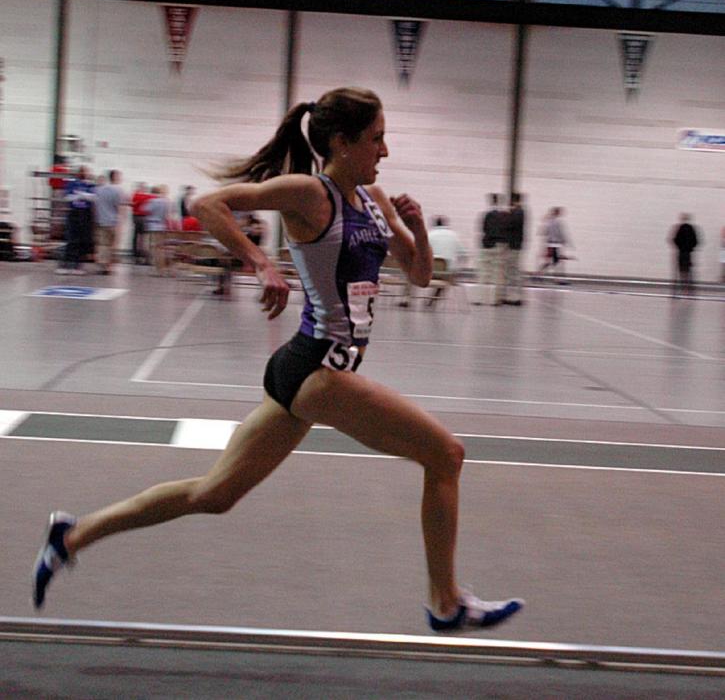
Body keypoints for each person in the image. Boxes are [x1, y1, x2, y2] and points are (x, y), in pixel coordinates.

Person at [32, 87, 523, 632]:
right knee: (445, 455)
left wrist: (422, 228)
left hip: (309, 373)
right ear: (341, 142)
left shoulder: (376, 201)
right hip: (319, 371)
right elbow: (206, 205)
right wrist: (261, 264)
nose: (385, 151)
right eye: (377, 138)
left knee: (213, 494)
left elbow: (421, 275)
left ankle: (72, 535)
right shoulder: (310, 194)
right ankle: (446, 602)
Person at [55, 165, 96, 275]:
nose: (86, 174)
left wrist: (81, 195)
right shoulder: (72, 183)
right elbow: (67, 197)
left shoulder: (90, 184)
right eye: (84, 171)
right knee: (71, 239)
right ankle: (65, 264)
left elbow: (94, 197)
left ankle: (78, 265)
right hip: (74, 213)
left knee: (82, 241)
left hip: (85, 214)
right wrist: (81, 196)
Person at [424, 215, 466, 307]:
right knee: (445, 278)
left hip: (429, 272)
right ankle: (433, 300)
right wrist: (458, 267)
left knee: (411, 275)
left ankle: (407, 299)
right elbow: (463, 254)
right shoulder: (454, 235)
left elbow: (420, 251)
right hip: (447, 272)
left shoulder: (429, 234)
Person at [93, 169, 127, 275]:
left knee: (103, 244)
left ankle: (102, 264)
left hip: (101, 221)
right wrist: (121, 221)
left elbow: (95, 206)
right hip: (113, 222)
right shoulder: (119, 191)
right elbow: (120, 207)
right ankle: (109, 266)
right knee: (113, 245)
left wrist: (96, 218)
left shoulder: (99, 189)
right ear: (115, 177)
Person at [474, 193, 506, 306]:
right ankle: (495, 300)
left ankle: (479, 298)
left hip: (486, 245)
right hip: (498, 246)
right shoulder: (504, 216)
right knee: (497, 274)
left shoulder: (486, 215)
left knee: (483, 273)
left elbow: (483, 229)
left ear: (490, 201)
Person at [536, 207, 573, 282]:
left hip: (550, 244)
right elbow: (561, 233)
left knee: (552, 261)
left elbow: (543, 232)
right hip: (555, 244)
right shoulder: (557, 222)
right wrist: (565, 242)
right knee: (555, 261)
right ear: (558, 213)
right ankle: (555, 278)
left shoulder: (549, 221)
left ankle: (540, 275)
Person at [144, 185, 173, 275]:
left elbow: (145, 209)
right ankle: (163, 268)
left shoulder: (152, 201)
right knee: (161, 248)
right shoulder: (167, 202)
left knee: (154, 248)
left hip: (153, 225)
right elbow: (168, 215)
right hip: (162, 226)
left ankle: (157, 268)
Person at [670, 213, 699, 296]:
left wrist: (679, 247)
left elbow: (674, 239)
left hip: (681, 252)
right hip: (688, 253)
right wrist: (691, 248)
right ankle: (689, 289)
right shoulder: (691, 228)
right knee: (688, 270)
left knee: (681, 271)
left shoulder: (679, 228)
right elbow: (696, 240)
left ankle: (683, 287)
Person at [130, 182, 153, 264]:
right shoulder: (149, 196)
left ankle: (136, 256)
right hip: (145, 218)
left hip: (136, 217)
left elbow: (132, 205)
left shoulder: (135, 195)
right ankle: (146, 257)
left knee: (136, 237)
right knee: (145, 237)